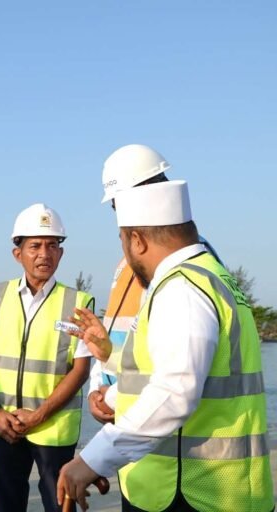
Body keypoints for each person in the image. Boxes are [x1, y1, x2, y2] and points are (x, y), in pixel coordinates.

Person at [57, 180, 274, 511]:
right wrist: (110, 357)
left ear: (138, 240)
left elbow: (175, 390)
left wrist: (93, 459)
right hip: (226, 488)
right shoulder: (213, 276)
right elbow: (174, 369)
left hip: (195, 491)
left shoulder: (181, 289)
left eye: (122, 241)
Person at [0, 203, 95, 512]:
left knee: (60, 505)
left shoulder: (78, 302)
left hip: (54, 429)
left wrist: (40, 415)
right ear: (18, 253)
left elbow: (81, 370)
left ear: (61, 254)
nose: (44, 254)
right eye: (35, 246)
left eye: (52, 246)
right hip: (4, 426)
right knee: (8, 505)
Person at [89, 144, 220, 423]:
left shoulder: (185, 266)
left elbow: (175, 377)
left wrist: (113, 398)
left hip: (158, 425)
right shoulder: (125, 265)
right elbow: (123, 343)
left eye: (118, 204)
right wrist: (96, 388)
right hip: (129, 416)